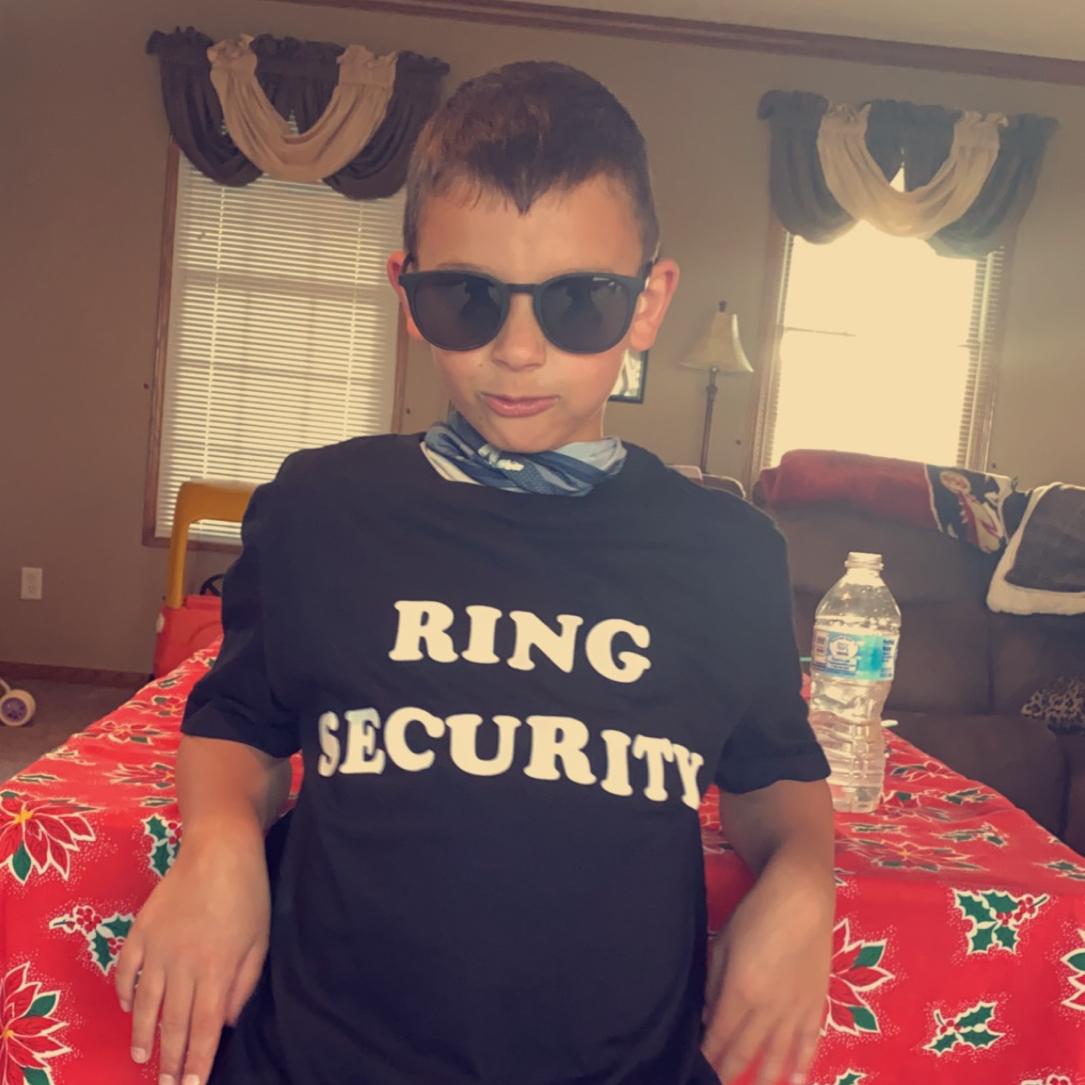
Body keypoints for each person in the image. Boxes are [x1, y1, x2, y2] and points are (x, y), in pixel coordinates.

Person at [115, 61, 835, 1085]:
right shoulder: (320, 509)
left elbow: (773, 778)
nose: (519, 350)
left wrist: (804, 881)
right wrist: (219, 843)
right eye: (467, 298)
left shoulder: (728, 552)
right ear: (408, 295)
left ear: (647, 302)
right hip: (321, 1060)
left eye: (578, 300)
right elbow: (240, 720)